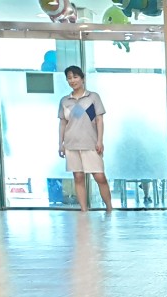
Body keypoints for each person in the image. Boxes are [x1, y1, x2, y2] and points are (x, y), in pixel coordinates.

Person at [58, 65, 113, 212]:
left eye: (75, 77)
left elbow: (100, 120)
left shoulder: (93, 97)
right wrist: (60, 144)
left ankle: (109, 208)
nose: (72, 80)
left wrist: (100, 140)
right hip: (71, 144)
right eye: (69, 78)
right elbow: (63, 123)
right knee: (78, 177)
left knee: (100, 177)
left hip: (90, 143)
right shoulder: (65, 101)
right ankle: (83, 210)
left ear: (82, 78)